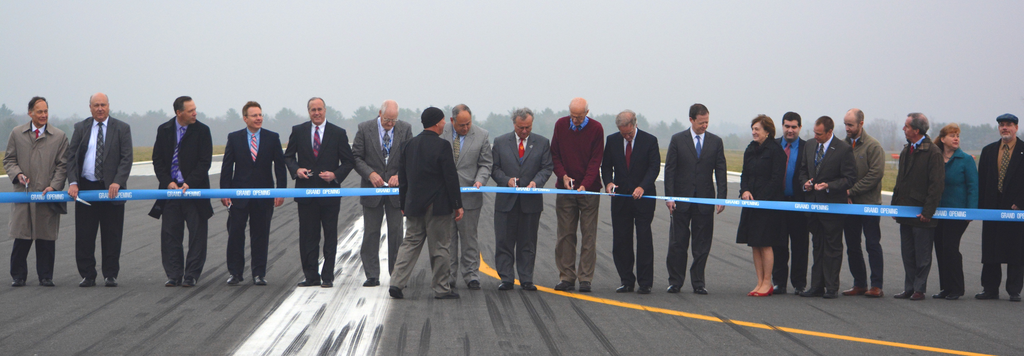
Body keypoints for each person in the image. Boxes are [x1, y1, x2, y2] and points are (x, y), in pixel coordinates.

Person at [388, 107, 464, 299]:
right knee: (440, 246)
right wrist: (457, 204)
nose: (444, 124)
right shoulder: (442, 146)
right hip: (438, 207)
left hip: (414, 204)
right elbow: (450, 178)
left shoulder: (408, 145)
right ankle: (441, 288)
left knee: (410, 243)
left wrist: (403, 202)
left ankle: (396, 283)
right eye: (443, 121)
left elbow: (402, 178)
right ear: (438, 122)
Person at [284, 97, 355, 288]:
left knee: (330, 235)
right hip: (305, 194)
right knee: (308, 236)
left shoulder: (338, 133)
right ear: (308, 111)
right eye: (313, 110)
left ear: (325, 110)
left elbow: (349, 161)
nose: (316, 113)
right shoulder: (298, 131)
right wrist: (296, 170)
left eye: (319, 109)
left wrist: (335, 175)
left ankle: (328, 276)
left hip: (329, 194)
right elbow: (288, 156)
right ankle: (311, 276)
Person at [66, 93, 133, 287]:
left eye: (103, 105)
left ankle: (110, 274)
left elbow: (126, 158)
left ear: (109, 106)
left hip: (112, 189)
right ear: (90, 107)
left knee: (112, 234)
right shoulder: (81, 128)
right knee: (85, 235)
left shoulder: (122, 128)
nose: (100, 108)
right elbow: (71, 157)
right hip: (86, 188)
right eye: (96, 105)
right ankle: (87, 274)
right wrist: (73, 182)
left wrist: (117, 182)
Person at [219, 101, 287, 286]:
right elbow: (227, 167)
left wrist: (281, 190)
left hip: (264, 196)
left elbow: (280, 167)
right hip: (239, 196)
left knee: (260, 235)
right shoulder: (234, 138)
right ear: (245, 118)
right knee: (235, 234)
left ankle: (259, 273)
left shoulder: (272, 138)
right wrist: (224, 192)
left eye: (260, 115)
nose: (259, 118)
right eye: (254, 115)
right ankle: (235, 273)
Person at [149, 96, 213, 288]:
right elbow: (158, 160)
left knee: (197, 235)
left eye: (195, 109)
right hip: (170, 192)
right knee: (170, 235)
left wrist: (189, 182)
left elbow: (205, 162)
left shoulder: (202, 131)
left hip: (194, 192)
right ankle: (174, 274)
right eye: (190, 110)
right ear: (179, 113)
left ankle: (191, 275)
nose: (195, 113)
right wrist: (168, 182)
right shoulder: (164, 130)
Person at [4, 96, 68, 287]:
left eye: (46, 111)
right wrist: (18, 175)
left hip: (46, 195)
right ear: (30, 113)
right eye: (39, 111)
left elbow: (62, 166)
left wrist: (54, 187)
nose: (43, 115)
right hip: (23, 194)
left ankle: (46, 276)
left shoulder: (59, 136)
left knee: (46, 238)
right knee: (22, 237)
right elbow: (9, 160)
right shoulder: (17, 134)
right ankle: (18, 276)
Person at [664, 103, 727, 295]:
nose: (704, 126)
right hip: (681, 201)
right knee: (677, 243)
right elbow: (670, 170)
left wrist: (721, 198)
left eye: (707, 122)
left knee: (702, 245)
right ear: (691, 120)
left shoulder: (715, 142)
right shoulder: (677, 140)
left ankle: (698, 282)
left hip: (704, 201)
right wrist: (669, 197)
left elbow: (721, 171)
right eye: (701, 123)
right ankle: (675, 281)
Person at [491, 107, 553, 291]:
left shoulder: (542, 143)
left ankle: (526, 278)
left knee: (528, 242)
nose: (524, 131)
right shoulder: (500, 142)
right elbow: (494, 168)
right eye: (521, 127)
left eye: (528, 127)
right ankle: (506, 278)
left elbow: (546, 167)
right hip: (506, 202)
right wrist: (506, 180)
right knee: (504, 241)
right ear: (514, 124)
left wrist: (536, 182)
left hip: (530, 203)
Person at [352, 100, 412, 287]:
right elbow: (356, 157)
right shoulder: (364, 128)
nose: (390, 124)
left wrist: (399, 176)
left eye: (393, 120)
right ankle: (372, 274)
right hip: (372, 190)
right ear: (380, 113)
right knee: (371, 232)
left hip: (395, 193)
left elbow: (410, 157)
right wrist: (370, 174)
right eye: (387, 119)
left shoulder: (405, 129)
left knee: (396, 233)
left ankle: (397, 275)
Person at [797, 116, 857, 299]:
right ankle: (816, 285)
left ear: (830, 132)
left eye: (819, 134)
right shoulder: (809, 146)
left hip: (832, 207)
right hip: (814, 206)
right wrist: (805, 183)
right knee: (817, 245)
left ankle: (831, 287)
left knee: (833, 247)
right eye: (814, 133)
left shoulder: (843, 149)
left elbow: (850, 178)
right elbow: (803, 170)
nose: (816, 136)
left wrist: (829, 186)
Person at [602, 110, 660, 294]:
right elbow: (606, 166)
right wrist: (609, 182)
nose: (626, 136)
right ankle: (626, 280)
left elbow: (654, 168)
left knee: (643, 238)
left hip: (643, 198)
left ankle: (645, 282)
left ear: (635, 124)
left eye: (629, 133)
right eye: (623, 133)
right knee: (621, 240)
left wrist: (642, 186)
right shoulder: (612, 141)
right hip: (621, 199)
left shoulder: (649, 140)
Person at [550, 97, 604, 292]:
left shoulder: (596, 129)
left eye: (579, 117)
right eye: (573, 116)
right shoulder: (560, 125)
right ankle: (566, 276)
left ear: (587, 113)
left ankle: (585, 278)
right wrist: (563, 176)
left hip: (589, 190)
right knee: (565, 235)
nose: (575, 120)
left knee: (588, 235)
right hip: (565, 189)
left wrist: (585, 184)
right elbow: (554, 154)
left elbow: (596, 160)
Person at [891, 113, 944, 301]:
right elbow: (900, 181)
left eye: (906, 126)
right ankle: (909, 287)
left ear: (916, 130)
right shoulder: (907, 150)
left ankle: (919, 289)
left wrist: (928, 211)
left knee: (922, 254)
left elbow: (936, 185)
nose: (904, 129)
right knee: (908, 253)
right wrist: (895, 207)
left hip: (922, 214)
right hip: (905, 210)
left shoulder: (933, 152)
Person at [441, 104, 492, 290]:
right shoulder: (441, 132)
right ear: (452, 120)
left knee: (469, 237)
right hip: (444, 196)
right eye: (461, 125)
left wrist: (480, 181)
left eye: (468, 124)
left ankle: (471, 275)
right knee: (448, 239)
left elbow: (486, 164)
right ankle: (448, 276)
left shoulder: (482, 135)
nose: (465, 128)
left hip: (470, 196)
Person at [976, 113, 1024, 302]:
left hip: (1015, 209)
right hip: (991, 207)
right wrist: (981, 207)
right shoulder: (988, 151)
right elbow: (982, 180)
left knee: (1016, 250)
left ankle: (1014, 290)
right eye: (1002, 125)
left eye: (1009, 125)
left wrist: (1020, 203)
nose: (1005, 128)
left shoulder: (1022, 150)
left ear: (1016, 128)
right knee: (990, 249)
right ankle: (989, 289)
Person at [736, 115, 786, 296]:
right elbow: (745, 175)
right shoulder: (750, 149)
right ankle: (759, 282)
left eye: (757, 129)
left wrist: (761, 200)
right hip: (751, 204)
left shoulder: (776, 151)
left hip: (767, 205)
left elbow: (776, 179)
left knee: (765, 244)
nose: (754, 132)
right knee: (755, 244)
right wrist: (745, 191)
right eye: (753, 129)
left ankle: (767, 282)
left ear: (767, 131)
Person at [841, 108, 886, 297]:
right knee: (852, 245)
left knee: (872, 244)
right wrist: (844, 194)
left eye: (850, 125)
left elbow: (875, 175)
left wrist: (852, 191)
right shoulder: (842, 146)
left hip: (869, 204)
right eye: (845, 124)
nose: (847, 128)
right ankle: (859, 283)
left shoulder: (873, 146)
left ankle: (876, 285)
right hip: (849, 205)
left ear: (861, 124)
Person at [932, 123, 978, 300]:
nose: (956, 138)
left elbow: (973, 187)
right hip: (937, 212)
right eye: (952, 135)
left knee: (950, 247)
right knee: (940, 249)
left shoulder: (966, 159)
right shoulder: (935, 158)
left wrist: (970, 212)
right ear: (943, 139)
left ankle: (957, 288)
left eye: (958, 135)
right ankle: (945, 287)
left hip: (958, 213)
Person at [772, 112, 809, 295]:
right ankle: (779, 282)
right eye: (787, 126)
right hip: (778, 204)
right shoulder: (774, 146)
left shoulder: (807, 147)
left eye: (794, 127)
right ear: (782, 126)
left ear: (800, 128)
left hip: (799, 204)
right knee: (778, 245)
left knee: (800, 246)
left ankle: (799, 283)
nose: (790, 130)